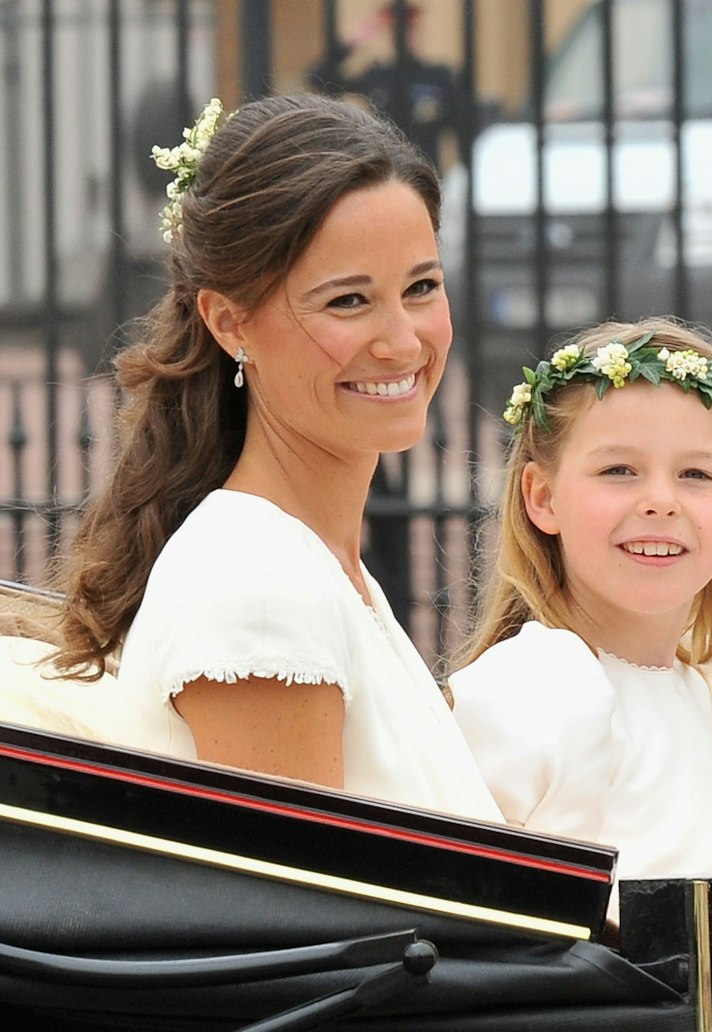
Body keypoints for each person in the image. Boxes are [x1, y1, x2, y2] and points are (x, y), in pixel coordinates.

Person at [42, 93, 502, 823]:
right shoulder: (258, 590)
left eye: (422, 287)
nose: (403, 340)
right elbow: (313, 923)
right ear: (229, 323)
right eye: (349, 301)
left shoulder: (314, 566)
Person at [447, 317, 712, 919]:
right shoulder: (536, 688)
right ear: (542, 497)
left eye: (695, 474)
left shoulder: (699, 688)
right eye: (618, 471)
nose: (660, 499)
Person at [306, 0, 469, 170]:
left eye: (410, 29)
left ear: (420, 32)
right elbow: (318, 79)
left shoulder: (438, 76)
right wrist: (350, 44)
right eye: (397, 30)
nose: (404, 36)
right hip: (385, 170)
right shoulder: (377, 75)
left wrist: (466, 173)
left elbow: (462, 127)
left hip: (426, 170)